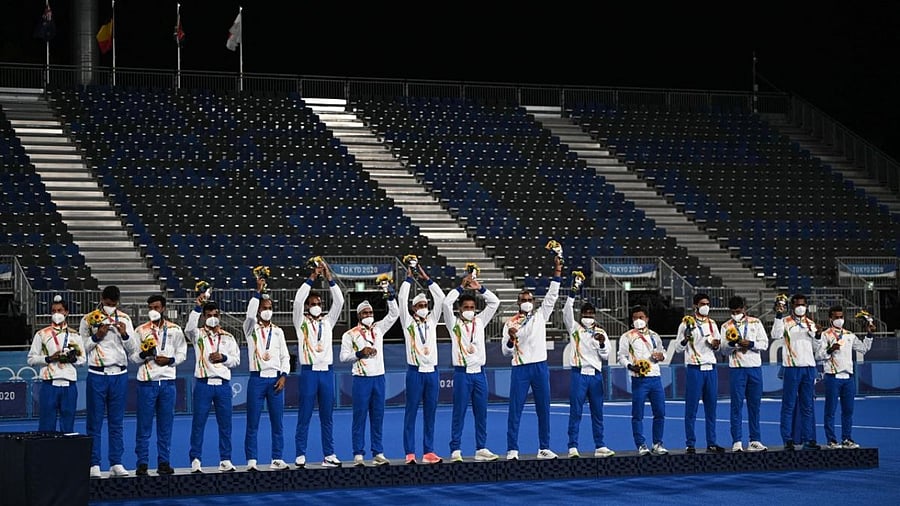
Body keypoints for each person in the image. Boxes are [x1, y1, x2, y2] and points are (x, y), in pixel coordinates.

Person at [502, 255, 562, 460]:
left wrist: (557, 271)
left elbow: (552, 296)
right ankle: (512, 449)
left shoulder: (540, 316)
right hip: (520, 368)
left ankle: (544, 447)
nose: (527, 303)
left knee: (543, 409)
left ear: (533, 302)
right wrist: (511, 340)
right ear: (518, 303)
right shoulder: (509, 323)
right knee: (515, 410)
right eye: (523, 300)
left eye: (529, 300)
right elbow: (505, 351)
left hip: (539, 367)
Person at [444, 273, 501, 462]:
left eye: (472, 307)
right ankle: (455, 449)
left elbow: (494, 303)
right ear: (459, 309)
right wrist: (461, 287)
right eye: (466, 307)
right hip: (462, 374)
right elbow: (445, 303)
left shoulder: (480, 321)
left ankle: (481, 448)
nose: (469, 310)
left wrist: (479, 289)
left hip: (480, 374)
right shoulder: (454, 324)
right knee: (458, 412)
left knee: (481, 413)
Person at [80, 285, 136, 478]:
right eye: (107, 303)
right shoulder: (88, 319)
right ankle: (93, 463)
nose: (110, 306)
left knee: (116, 422)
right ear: (101, 299)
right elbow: (82, 349)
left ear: (118, 303)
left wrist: (125, 334)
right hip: (97, 374)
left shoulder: (126, 319)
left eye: (113, 304)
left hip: (119, 375)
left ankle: (116, 462)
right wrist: (97, 336)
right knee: (94, 421)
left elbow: (134, 349)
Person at [293, 259, 344, 468]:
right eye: (312, 304)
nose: (316, 307)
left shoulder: (328, 321)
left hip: (327, 373)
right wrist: (312, 277)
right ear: (308, 306)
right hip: (309, 372)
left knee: (327, 416)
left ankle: (329, 454)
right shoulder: (301, 322)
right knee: (304, 414)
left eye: (318, 304)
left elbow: (339, 302)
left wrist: (329, 278)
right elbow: (297, 301)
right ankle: (300, 454)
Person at [339, 291, 400, 466]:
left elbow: (394, 314)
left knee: (378, 417)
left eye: (371, 313)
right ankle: (358, 454)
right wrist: (359, 353)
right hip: (361, 379)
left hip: (379, 379)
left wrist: (390, 297)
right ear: (358, 315)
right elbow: (343, 357)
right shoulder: (350, 334)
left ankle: (378, 452)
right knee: (359, 417)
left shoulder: (379, 328)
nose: (368, 315)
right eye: (365, 313)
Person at [130, 295, 187, 476]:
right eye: (150, 308)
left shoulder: (175, 329)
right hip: (147, 383)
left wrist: (170, 360)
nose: (153, 310)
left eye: (156, 307)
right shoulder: (140, 331)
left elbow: (182, 353)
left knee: (165, 426)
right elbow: (132, 357)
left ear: (163, 308)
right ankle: (142, 463)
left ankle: (164, 462)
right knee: (143, 426)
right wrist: (143, 354)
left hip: (168, 383)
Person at [184, 296, 241, 472]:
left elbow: (236, 360)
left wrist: (224, 358)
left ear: (220, 317)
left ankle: (225, 459)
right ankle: (195, 460)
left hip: (223, 386)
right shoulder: (197, 334)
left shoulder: (228, 337)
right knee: (198, 423)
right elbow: (188, 328)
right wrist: (197, 307)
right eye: (208, 315)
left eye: (215, 314)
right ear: (204, 317)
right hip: (203, 384)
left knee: (226, 425)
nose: (212, 317)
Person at [398, 264, 446, 465]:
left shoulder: (432, 320)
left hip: (432, 372)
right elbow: (401, 299)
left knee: (430, 413)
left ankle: (428, 451)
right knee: (411, 413)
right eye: (420, 306)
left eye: (426, 304)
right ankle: (410, 452)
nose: (425, 308)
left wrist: (426, 277)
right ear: (413, 309)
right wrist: (409, 278)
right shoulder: (408, 322)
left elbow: (441, 299)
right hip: (415, 372)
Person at [243, 276, 291, 471]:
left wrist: (284, 376)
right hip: (257, 379)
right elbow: (249, 314)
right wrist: (257, 291)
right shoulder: (250, 329)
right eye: (264, 308)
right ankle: (252, 461)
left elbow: (286, 356)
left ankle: (277, 458)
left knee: (277, 423)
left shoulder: (279, 332)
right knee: (252, 422)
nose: (267, 311)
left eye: (270, 307)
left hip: (276, 381)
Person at [562, 289, 614, 459]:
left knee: (597, 412)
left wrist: (601, 344)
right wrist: (572, 294)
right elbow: (566, 311)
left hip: (596, 376)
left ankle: (600, 445)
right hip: (579, 374)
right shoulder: (574, 328)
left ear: (595, 316)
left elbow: (606, 355)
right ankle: (572, 447)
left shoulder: (602, 332)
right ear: (581, 314)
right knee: (576, 411)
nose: (588, 316)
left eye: (591, 313)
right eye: (585, 313)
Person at [771, 293, 823, 450]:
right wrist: (778, 315)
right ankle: (787, 440)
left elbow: (817, 349)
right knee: (789, 405)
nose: (800, 307)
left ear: (806, 306)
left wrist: (819, 336)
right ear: (792, 306)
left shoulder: (812, 324)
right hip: (791, 367)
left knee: (807, 406)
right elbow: (775, 335)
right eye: (797, 304)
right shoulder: (785, 322)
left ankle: (808, 439)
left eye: (803, 304)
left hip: (808, 367)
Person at [675, 293, 724, 454]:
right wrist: (685, 339)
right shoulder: (686, 323)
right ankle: (690, 444)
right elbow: (678, 348)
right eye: (703, 303)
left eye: (708, 303)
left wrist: (716, 345)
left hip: (710, 369)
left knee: (712, 408)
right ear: (695, 305)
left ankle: (711, 442)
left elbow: (717, 345)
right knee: (692, 408)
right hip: (695, 368)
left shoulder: (712, 323)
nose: (706, 306)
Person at [719, 296, 768, 452]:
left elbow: (765, 344)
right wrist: (733, 344)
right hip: (737, 369)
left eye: (738, 311)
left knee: (755, 406)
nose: (736, 314)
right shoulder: (726, 326)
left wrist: (751, 344)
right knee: (736, 406)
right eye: (733, 312)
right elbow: (723, 350)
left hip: (754, 368)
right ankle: (737, 441)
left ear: (744, 309)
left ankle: (754, 440)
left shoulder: (756, 322)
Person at [820, 305, 874, 449]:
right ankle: (831, 440)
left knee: (848, 411)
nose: (839, 320)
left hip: (848, 377)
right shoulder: (825, 335)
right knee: (830, 411)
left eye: (841, 317)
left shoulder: (849, 335)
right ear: (830, 318)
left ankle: (847, 439)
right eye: (836, 317)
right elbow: (819, 356)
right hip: (832, 376)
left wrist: (869, 335)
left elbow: (863, 348)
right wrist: (830, 350)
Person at [27, 295, 84, 433]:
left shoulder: (75, 335)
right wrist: (48, 358)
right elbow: (31, 359)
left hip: (69, 385)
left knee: (68, 426)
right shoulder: (41, 334)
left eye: (60, 310)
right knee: (46, 426)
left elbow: (82, 361)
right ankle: (45, 454)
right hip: (49, 385)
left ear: (66, 312)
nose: (56, 314)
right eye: (53, 311)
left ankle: (66, 454)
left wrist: (72, 359)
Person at [617, 305, 668, 456]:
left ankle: (657, 443)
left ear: (647, 319)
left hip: (656, 378)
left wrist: (662, 356)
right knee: (637, 414)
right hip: (639, 380)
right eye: (635, 318)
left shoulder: (654, 336)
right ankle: (641, 445)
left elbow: (662, 351)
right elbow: (621, 356)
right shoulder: (627, 336)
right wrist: (630, 367)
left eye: (641, 317)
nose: (638, 320)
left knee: (660, 412)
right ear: (631, 320)